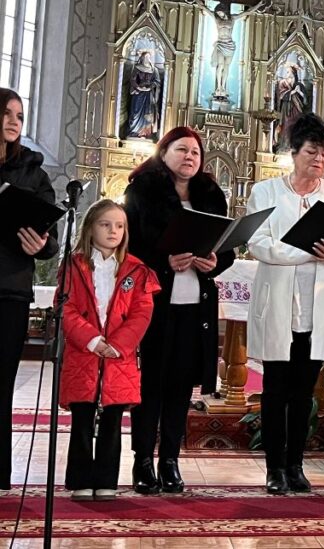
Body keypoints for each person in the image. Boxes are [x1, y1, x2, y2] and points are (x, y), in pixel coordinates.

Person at [246, 112, 324, 495]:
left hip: (318, 309)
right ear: (294, 153)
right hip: (279, 306)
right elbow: (258, 244)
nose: (319, 159)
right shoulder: (265, 192)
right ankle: (274, 468)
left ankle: (295, 465)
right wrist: (307, 252)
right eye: (312, 152)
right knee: (275, 390)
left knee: (303, 392)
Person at [124, 127, 236, 494]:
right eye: (181, 149)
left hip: (196, 305)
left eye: (195, 152)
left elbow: (228, 249)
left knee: (180, 387)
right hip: (155, 303)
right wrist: (164, 261)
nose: (189, 157)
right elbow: (129, 246)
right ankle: (143, 460)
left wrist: (215, 262)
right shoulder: (142, 191)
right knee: (151, 385)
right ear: (164, 152)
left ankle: (170, 459)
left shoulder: (211, 196)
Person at [59, 200, 159, 501]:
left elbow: (142, 312)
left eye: (119, 226)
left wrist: (118, 345)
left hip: (119, 358)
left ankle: (106, 480)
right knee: (82, 420)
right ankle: (80, 480)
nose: (113, 231)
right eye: (105, 224)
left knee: (113, 422)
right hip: (84, 354)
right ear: (90, 228)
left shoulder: (137, 270)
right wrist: (92, 340)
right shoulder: (74, 266)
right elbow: (66, 308)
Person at [0, 87, 58, 490]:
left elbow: (50, 238)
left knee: (1, 383)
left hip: (9, 290)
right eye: (6, 113)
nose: (14, 122)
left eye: (19, 116)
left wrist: (41, 245)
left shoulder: (34, 173)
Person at [127, 50, 162, 139]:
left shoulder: (154, 70)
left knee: (148, 112)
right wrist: (139, 87)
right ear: (141, 58)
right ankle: (134, 131)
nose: (147, 59)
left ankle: (145, 133)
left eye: (148, 57)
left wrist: (150, 87)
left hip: (149, 94)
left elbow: (157, 81)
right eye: (145, 57)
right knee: (135, 112)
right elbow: (132, 80)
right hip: (138, 93)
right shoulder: (137, 68)